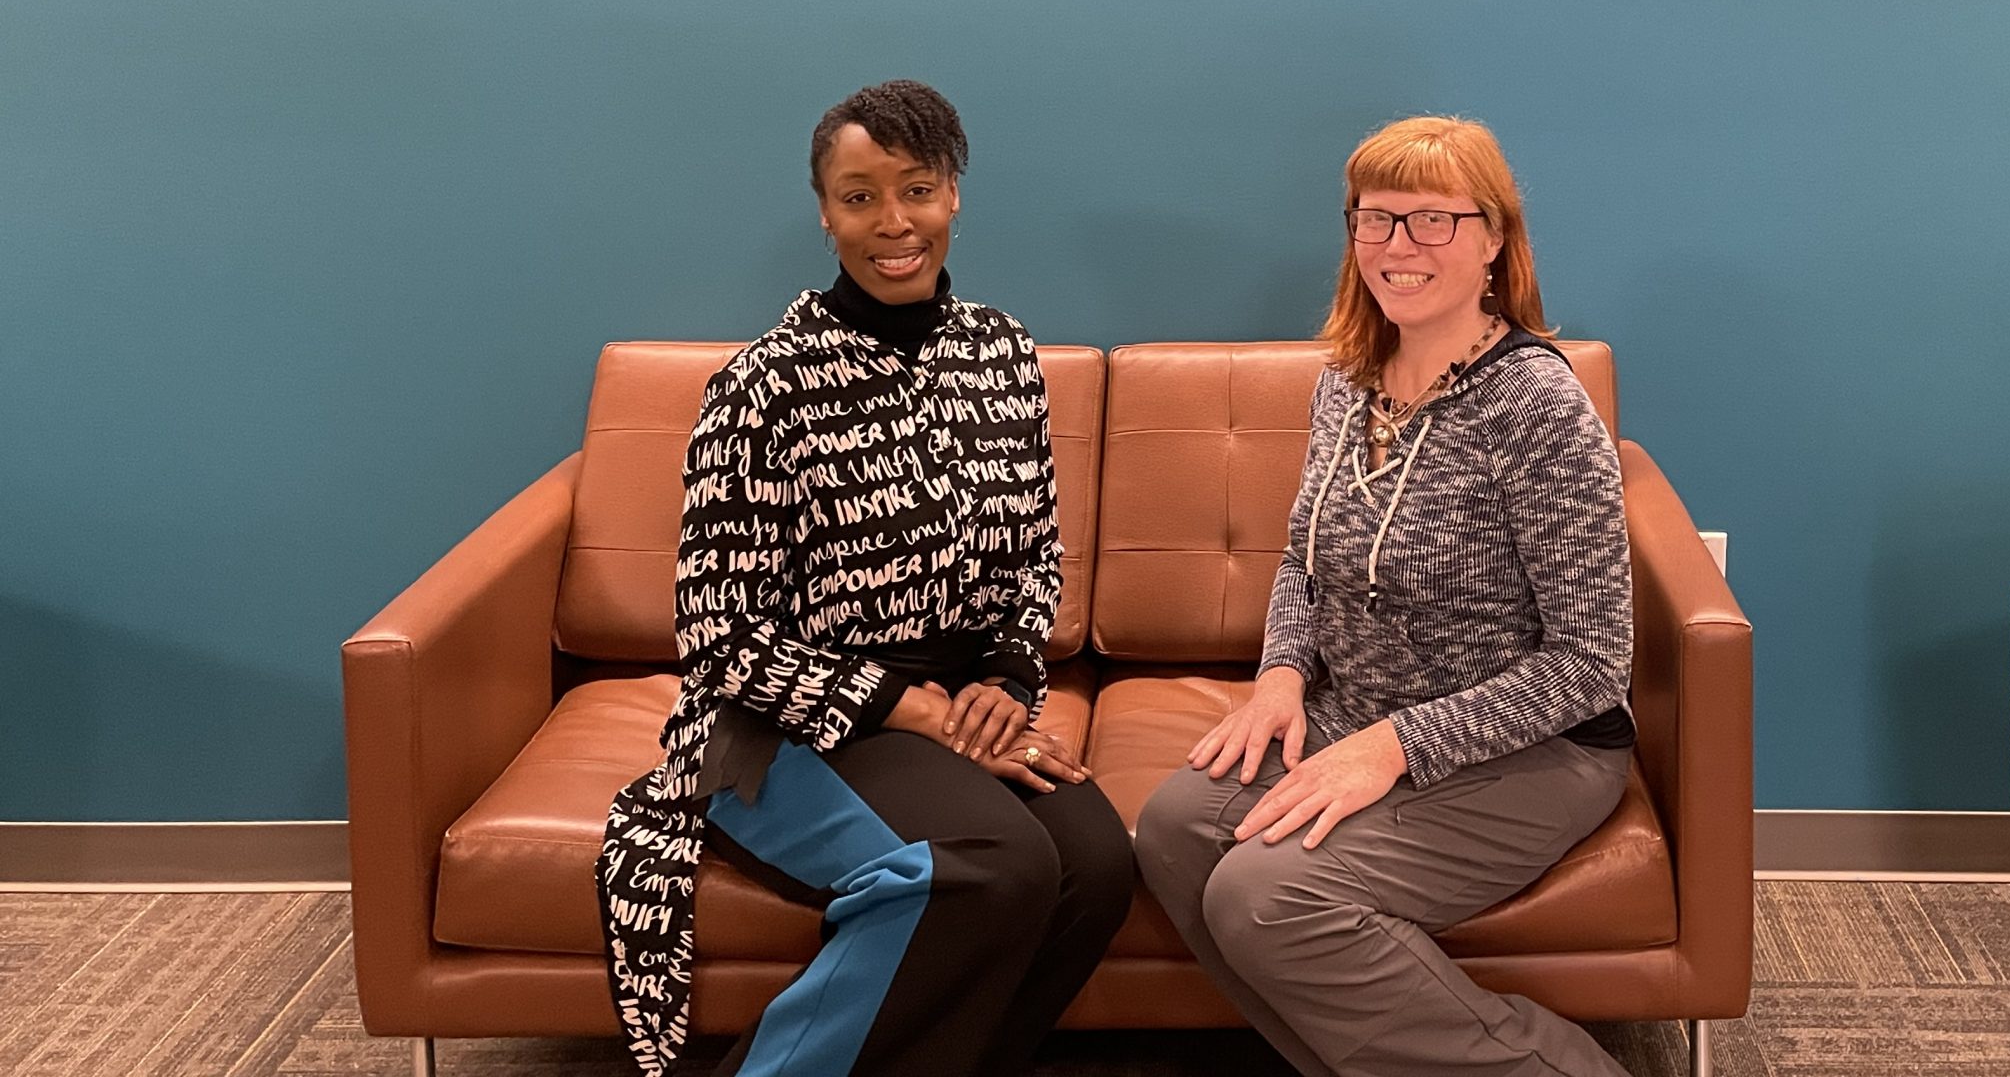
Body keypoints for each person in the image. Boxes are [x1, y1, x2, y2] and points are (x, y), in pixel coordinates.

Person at [596, 80, 1133, 1077]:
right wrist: (913, 709)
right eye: (858, 196)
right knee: (991, 864)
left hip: (950, 708)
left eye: (916, 189)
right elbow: (723, 638)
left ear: (954, 196)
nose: (892, 223)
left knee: (1096, 866)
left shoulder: (1002, 355)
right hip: (777, 725)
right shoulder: (765, 385)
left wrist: (1002, 686)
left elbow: (1033, 560)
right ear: (823, 210)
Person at [1136, 115, 1636, 1077]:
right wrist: (1282, 674)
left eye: (1434, 220)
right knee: (1176, 829)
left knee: (1269, 895)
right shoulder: (1347, 379)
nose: (1398, 247)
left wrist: (1397, 746)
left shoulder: (1537, 407)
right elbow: (1302, 560)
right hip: (1352, 714)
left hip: (1527, 750)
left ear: (1494, 238)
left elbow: (1593, 660)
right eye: (1375, 219)